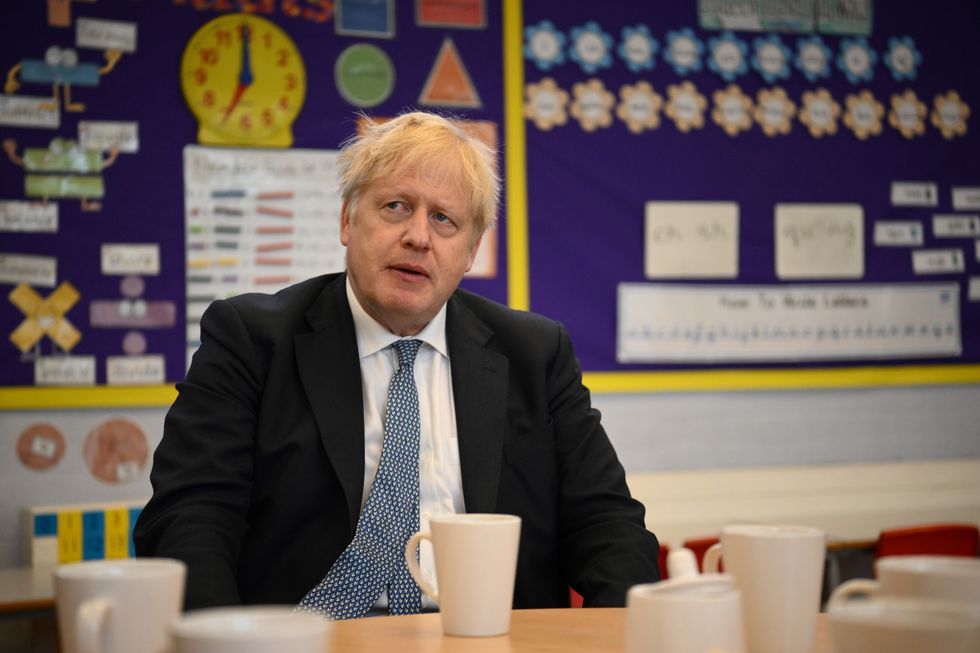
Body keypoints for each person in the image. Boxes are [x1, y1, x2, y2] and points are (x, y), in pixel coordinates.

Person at [134, 111, 660, 615]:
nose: (418, 237)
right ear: (347, 220)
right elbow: (189, 516)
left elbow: (608, 524)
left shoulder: (535, 354)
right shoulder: (251, 340)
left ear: (471, 250)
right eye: (395, 207)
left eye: (444, 219)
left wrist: (611, 633)